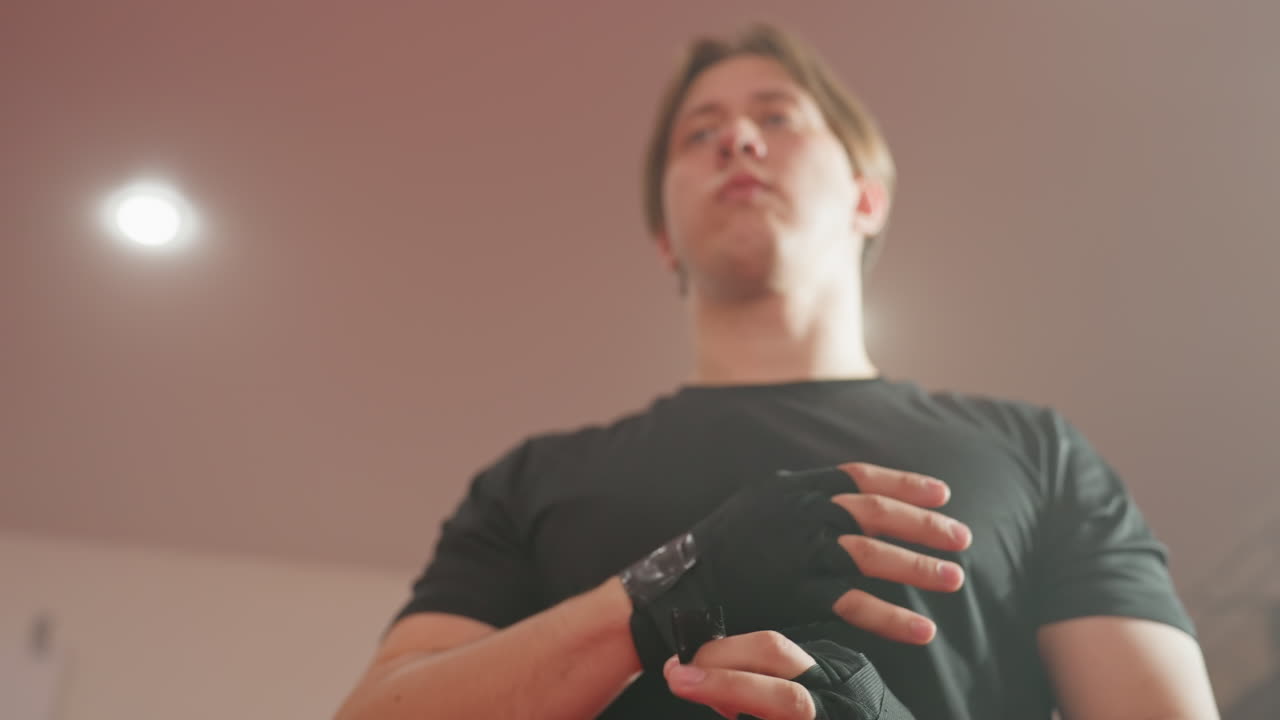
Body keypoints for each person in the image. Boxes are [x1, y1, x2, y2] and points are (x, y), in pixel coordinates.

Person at [334, 23, 1219, 719]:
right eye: (699, 133)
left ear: (866, 196)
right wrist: (667, 588)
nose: (737, 140)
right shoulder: (535, 479)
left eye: (778, 117)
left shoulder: (1035, 453)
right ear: (664, 239)